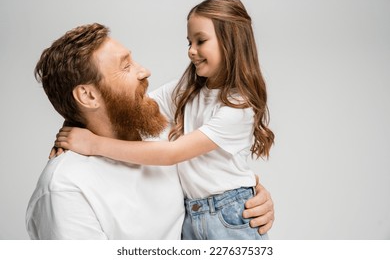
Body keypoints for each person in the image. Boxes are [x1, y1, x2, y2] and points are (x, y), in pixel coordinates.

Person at [27, 22, 274, 240]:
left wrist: (248, 197)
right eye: (126, 67)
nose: (145, 71)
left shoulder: (160, 135)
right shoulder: (66, 189)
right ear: (88, 95)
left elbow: (211, 173)